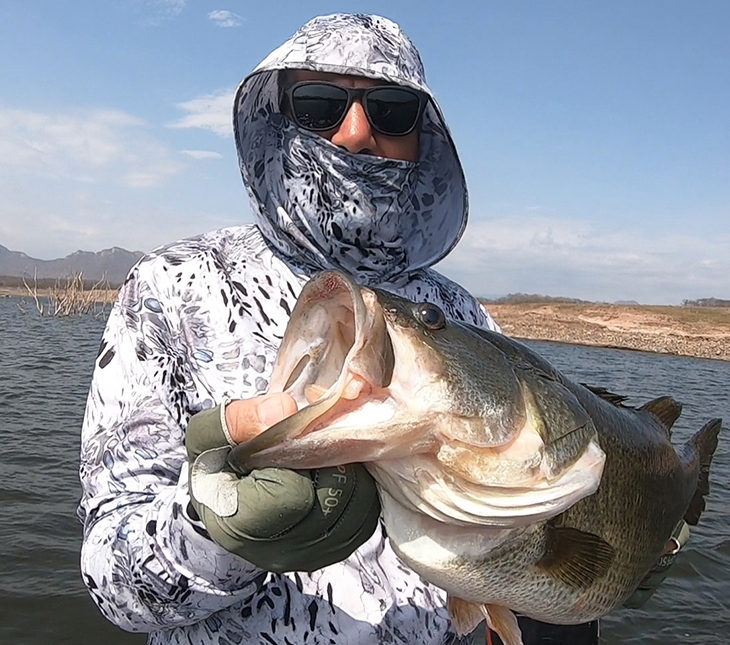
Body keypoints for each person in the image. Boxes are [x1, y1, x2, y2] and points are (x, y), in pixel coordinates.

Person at [78, 13, 681, 645]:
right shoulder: (172, 286)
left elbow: (540, 502)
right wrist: (217, 532)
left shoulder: (463, 315)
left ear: (422, 139)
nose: (357, 132)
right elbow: (112, 586)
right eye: (319, 104)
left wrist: (629, 539)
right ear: (277, 122)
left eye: (393, 111)